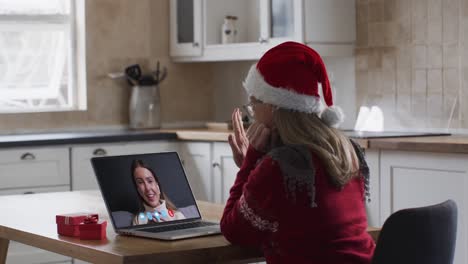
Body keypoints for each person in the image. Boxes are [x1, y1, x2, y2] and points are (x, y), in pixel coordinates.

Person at [221, 41, 375, 263]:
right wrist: (257, 167)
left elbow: (232, 230)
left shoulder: (278, 167)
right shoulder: (348, 150)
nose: (253, 114)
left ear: (273, 106)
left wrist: (250, 162)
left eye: (254, 105)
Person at [131, 159, 185, 225]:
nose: (147, 188)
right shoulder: (138, 220)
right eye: (140, 182)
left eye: (150, 181)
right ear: (138, 190)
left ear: (158, 186)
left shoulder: (178, 216)